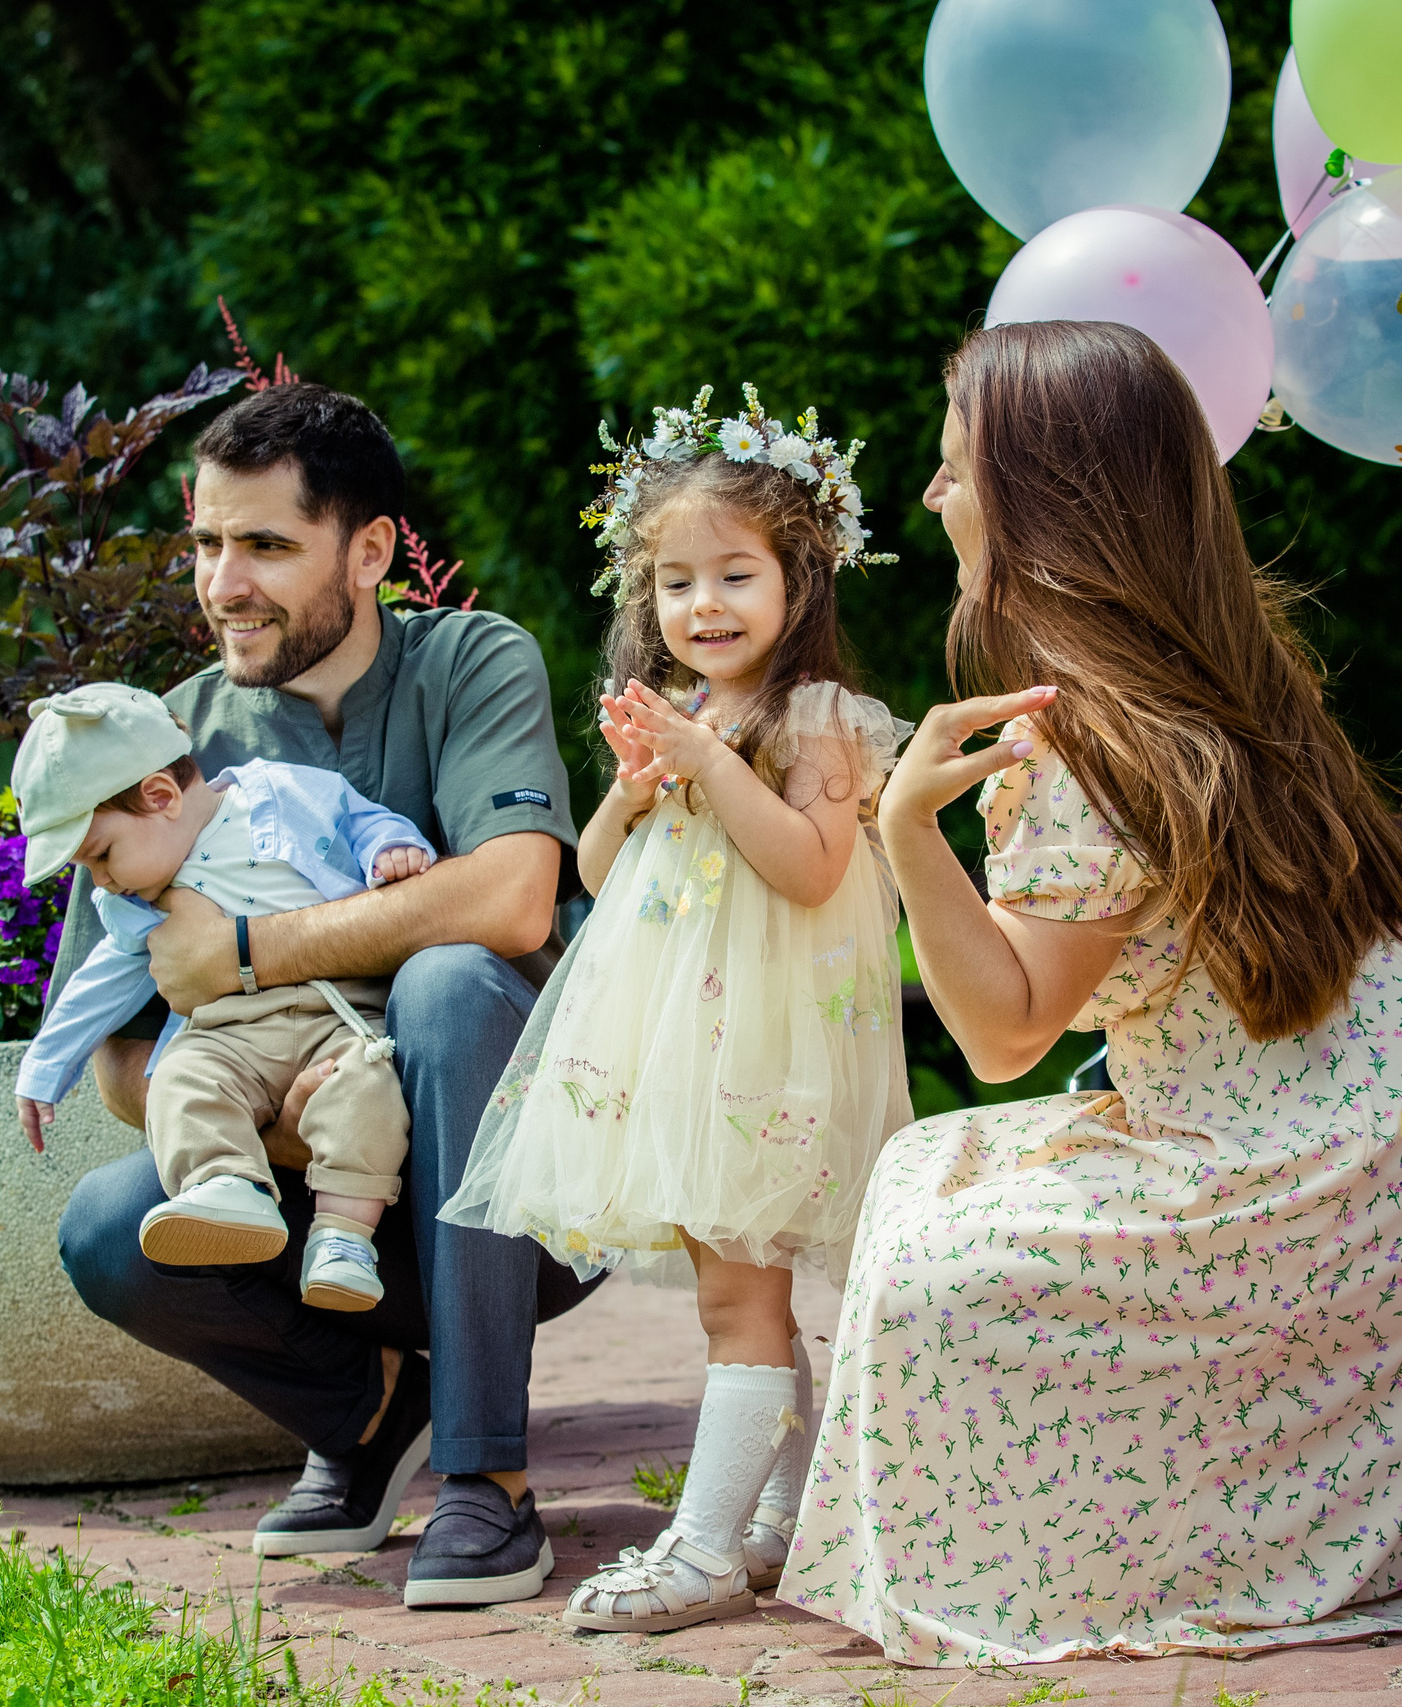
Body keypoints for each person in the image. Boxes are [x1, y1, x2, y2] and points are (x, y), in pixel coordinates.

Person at [782, 322, 1402, 1663]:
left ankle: (1120, 1550)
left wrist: (909, 834)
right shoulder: (1226, 667)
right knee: (926, 1175)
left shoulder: (1086, 732)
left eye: (954, 465)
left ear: (1039, 499)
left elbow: (1006, 1033)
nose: (933, 494)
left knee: (934, 1264)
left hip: (1308, 1189)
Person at [48, 380, 600, 1609]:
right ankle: (371, 1416)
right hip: (326, 1201)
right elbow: (122, 1068)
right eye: (205, 542)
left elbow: (512, 900)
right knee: (105, 1230)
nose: (222, 581)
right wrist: (299, 1115)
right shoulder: (162, 744)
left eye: (264, 546)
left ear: (369, 551)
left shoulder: (472, 660)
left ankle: (485, 1481)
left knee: (454, 985)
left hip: (532, 1200)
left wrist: (245, 954)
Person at [442, 385, 914, 1636]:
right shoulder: (687, 720)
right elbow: (598, 874)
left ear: (799, 581)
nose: (701, 607)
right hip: (681, 1050)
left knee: (738, 1302)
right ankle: (779, 1516)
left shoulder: (814, 720)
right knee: (741, 1293)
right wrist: (641, 786)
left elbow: (812, 869)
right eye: (673, 584)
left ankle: (704, 1548)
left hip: (765, 1054)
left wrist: (710, 768)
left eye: (734, 577)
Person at [12, 683, 435, 1311]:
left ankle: (344, 1241)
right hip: (227, 1036)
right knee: (182, 1080)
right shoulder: (132, 902)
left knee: (366, 1089)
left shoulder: (279, 795)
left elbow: (357, 817)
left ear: (160, 796)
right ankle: (225, 1186)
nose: (99, 879)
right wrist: (45, 1068)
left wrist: (389, 848)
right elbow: (100, 983)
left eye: (100, 855)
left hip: (340, 1014)